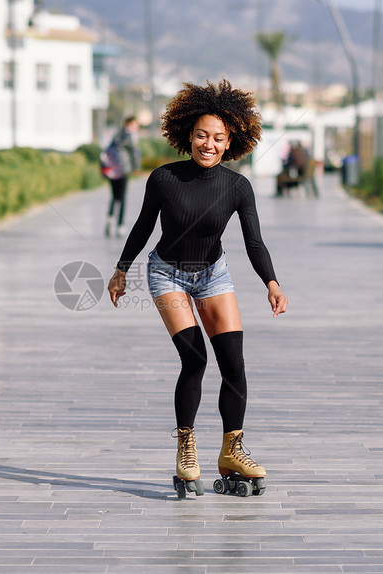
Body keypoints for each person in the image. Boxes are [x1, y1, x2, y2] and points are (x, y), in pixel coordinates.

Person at [107, 79, 288, 497]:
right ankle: (187, 447)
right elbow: (142, 226)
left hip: (213, 274)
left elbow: (254, 242)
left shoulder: (237, 187)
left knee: (234, 364)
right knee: (195, 359)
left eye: (218, 138)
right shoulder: (164, 178)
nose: (209, 144)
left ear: (230, 143)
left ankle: (231, 450)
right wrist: (121, 270)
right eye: (202, 135)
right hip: (167, 272)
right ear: (188, 134)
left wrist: (272, 283)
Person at [104, 116, 140, 238]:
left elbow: (108, 150)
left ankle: (110, 217)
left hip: (113, 170)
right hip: (123, 170)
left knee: (114, 196)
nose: (136, 127)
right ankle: (120, 225)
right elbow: (134, 153)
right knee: (122, 197)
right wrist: (135, 167)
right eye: (135, 125)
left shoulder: (116, 135)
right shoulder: (130, 136)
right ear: (129, 124)